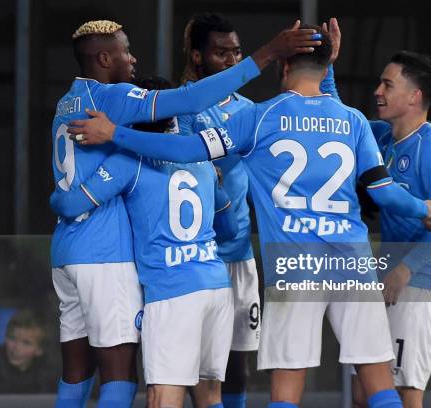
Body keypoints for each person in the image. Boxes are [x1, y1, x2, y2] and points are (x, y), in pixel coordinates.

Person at [64, 23, 431, 408]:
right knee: (378, 383)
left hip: (295, 265)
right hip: (353, 262)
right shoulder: (353, 121)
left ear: (282, 67)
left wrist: (116, 134)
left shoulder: (260, 118)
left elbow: (186, 149)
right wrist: (424, 209)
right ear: (324, 65)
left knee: (286, 391)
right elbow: (383, 192)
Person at [50, 19, 319, 408]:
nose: (133, 58)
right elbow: (189, 103)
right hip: (188, 271)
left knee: (87, 373)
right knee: (147, 376)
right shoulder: (123, 104)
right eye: (126, 51)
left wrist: (57, 202)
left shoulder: (69, 103)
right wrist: (269, 52)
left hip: (82, 255)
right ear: (105, 57)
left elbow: (72, 200)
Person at [51, 72, 240, 408]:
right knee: (209, 396)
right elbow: (229, 229)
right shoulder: (201, 161)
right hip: (215, 286)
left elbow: (74, 204)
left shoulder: (131, 161)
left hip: (172, 291)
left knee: (161, 397)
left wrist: (55, 199)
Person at [342, 51, 431, 408]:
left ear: (414, 96)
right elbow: (339, 116)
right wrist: (325, 65)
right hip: (389, 282)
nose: (378, 91)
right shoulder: (383, 136)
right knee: (365, 393)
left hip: (420, 288)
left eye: (388, 84)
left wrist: (404, 272)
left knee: (404, 394)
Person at [178, 14, 258, 408]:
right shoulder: (181, 108)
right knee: (193, 367)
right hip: (195, 257)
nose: (231, 60)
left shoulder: (251, 109)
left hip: (240, 256)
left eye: (237, 52)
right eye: (220, 52)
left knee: (236, 362)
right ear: (198, 56)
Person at [0, 309, 59, 394]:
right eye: (12, 338)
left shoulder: (49, 367)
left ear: (39, 350)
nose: (16, 347)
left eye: (26, 343)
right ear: (5, 337)